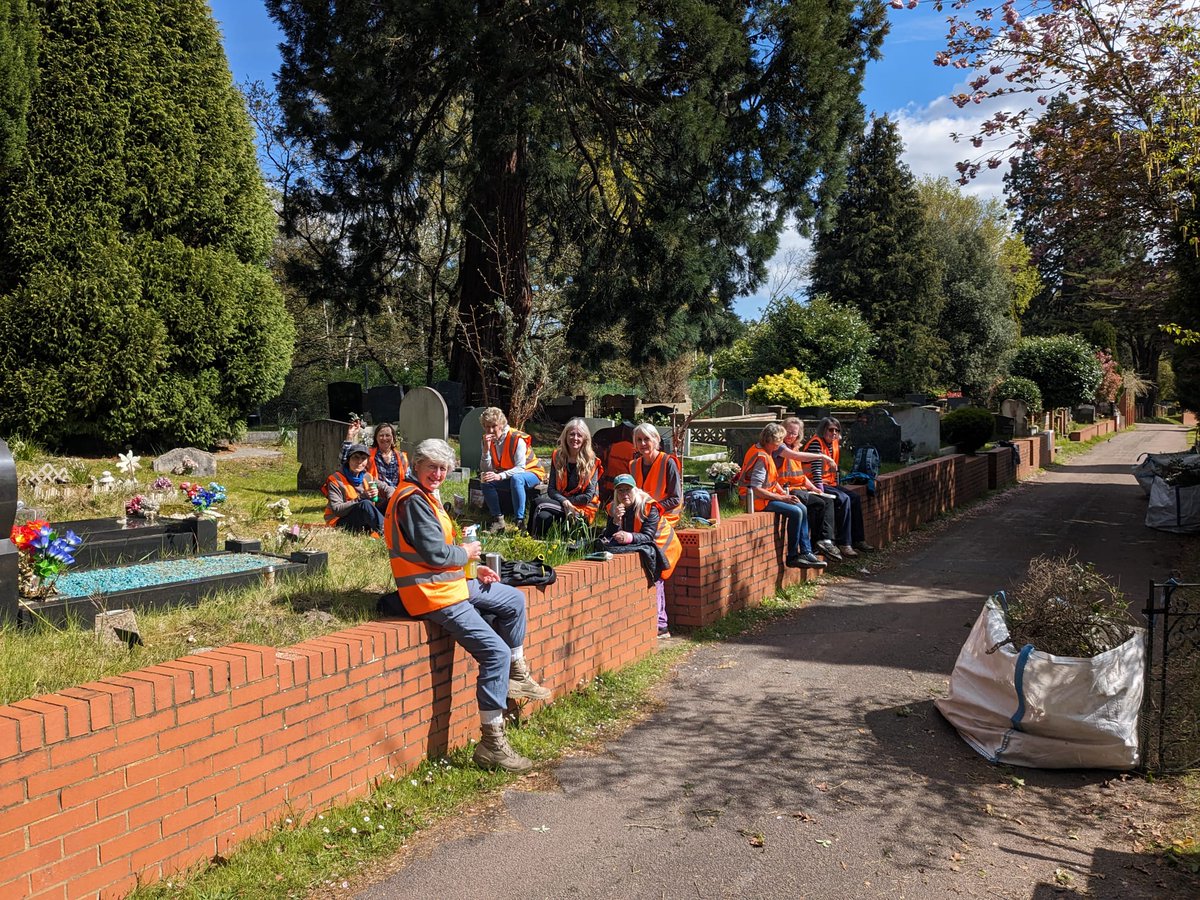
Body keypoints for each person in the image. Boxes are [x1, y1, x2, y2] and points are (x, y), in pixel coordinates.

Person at [384, 438, 553, 773]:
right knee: (495, 653)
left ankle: (516, 675)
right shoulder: (412, 499)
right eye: (432, 466)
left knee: (513, 599)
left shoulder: (426, 495)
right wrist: (468, 554)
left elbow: (440, 551)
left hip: (451, 583)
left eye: (444, 468)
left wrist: (473, 569)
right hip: (433, 594)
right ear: (416, 465)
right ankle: (492, 743)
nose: (438, 474)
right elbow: (434, 554)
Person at [600, 473, 681, 637]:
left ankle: (661, 625)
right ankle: (659, 623)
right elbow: (608, 536)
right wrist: (615, 520)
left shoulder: (648, 507)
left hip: (664, 545)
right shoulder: (615, 507)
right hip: (647, 546)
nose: (624, 495)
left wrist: (629, 537)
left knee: (656, 577)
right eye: (620, 491)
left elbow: (648, 535)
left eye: (628, 490)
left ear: (635, 490)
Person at [740, 423, 827, 569]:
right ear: (770, 441)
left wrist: (782, 492)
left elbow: (772, 480)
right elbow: (756, 489)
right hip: (756, 500)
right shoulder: (761, 457)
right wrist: (783, 498)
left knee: (802, 508)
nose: (779, 446)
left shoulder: (766, 452)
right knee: (796, 512)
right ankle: (792, 556)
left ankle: (806, 551)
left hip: (766, 496)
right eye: (778, 443)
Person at [804, 417, 875, 557]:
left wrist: (837, 483)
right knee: (843, 499)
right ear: (823, 429)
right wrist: (820, 489)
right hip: (816, 484)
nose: (834, 433)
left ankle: (858, 539)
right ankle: (844, 543)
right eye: (831, 429)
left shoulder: (834, 444)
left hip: (831, 483)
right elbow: (816, 469)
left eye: (837, 430)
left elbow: (835, 468)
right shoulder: (816, 444)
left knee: (854, 497)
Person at [773, 417, 841, 562]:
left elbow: (801, 475)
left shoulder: (795, 447)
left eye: (795, 434)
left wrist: (815, 488)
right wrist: (822, 456)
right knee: (813, 505)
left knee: (826, 501)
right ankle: (811, 545)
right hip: (786, 489)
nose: (792, 436)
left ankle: (824, 541)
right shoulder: (779, 447)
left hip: (800, 487)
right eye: (789, 432)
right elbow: (797, 457)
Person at [529, 418, 602, 537]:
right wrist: (564, 501)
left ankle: (529, 539)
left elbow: (588, 496)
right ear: (565, 436)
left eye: (579, 435)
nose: (575, 438)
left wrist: (568, 502)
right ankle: (537, 543)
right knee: (543, 516)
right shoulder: (557, 456)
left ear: (585, 439)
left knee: (538, 502)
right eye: (572, 434)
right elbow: (551, 489)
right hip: (561, 503)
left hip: (582, 508)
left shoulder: (592, 461)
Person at [479, 407, 546, 532]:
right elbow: (486, 469)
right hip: (508, 474)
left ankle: (519, 522)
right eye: (487, 427)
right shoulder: (486, 440)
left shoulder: (516, 438)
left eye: (494, 426)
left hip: (531, 472)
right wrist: (485, 451)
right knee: (485, 479)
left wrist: (500, 476)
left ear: (501, 425)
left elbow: (520, 468)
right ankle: (498, 520)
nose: (491, 430)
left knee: (517, 478)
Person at [321, 443, 391, 534]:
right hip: (339, 521)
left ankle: (400, 530)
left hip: (361, 519)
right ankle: (388, 534)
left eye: (363, 458)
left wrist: (392, 498)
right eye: (355, 457)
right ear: (348, 460)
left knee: (388, 503)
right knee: (365, 504)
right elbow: (337, 510)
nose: (359, 462)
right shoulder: (336, 480)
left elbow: (387, 488)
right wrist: (362, 497)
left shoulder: (367, 477)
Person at [629, 422, 683, 528]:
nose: (643, 443)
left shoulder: (668, 462)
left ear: (655, 440)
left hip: (664, 514)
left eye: (647, 439)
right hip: (642, 513)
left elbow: (675, 499)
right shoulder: (633, 465)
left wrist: (652, 509)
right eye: (639, 440)